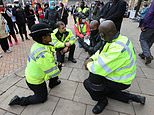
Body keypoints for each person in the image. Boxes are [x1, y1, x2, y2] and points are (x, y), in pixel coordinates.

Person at [84, 20, 145, 114]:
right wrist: (92, 58)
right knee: (107, 90)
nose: (101, 36)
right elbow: (102, 52)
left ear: (105, 34)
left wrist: (87, 64)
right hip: (123, 76)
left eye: (101, 34)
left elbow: (98, 68)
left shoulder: (117, 49)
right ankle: (134, 98)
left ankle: (102, 101)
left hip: (121, 80)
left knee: (89, 83)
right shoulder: (120, 38)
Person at [9, 23, 61, 106]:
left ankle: (53, 83)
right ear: (43, 38)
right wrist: (58, 67)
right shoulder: (43, 54)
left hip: (32, 75)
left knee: (55, 67)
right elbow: (52, 72)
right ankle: (19, 100)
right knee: (42, 98)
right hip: (35, 81)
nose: (51, 36)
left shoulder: (38, 45)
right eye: (49, 34)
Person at [138, 0, 154, 65]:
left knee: (143, 39)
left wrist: (144, 24)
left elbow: (150, 13)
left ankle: (147, 55)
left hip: (151, 25)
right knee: (150, 41)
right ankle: (143, 54)